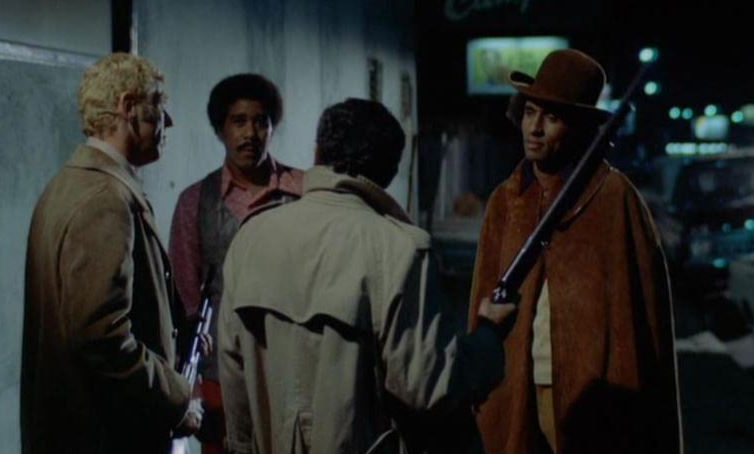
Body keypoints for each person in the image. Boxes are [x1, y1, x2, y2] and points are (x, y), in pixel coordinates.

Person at [217, 98, 517, 454]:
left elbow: (232, 371)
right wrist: (489, 336)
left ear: (317, 154)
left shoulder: (251, 237)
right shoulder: (400, 249)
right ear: (389, 172)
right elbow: (430, 386)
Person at [468, 49, 682, 453]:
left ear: (580, 127)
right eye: (530, 112)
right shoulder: (507, 199)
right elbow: (483, 300)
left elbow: (643, 322)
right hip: (514, 386)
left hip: (591, 399)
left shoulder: (613, 197)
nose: (535, 128)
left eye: (551, 117)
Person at [21, 53, 202, 454]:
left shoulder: (70, 184)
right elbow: (102, 337)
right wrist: (176, 399)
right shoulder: (105, 199)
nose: (169, 121)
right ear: (127, 107)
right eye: (159, 106)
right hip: (105, 437)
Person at [169, 74, 303, 453]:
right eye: (238, 121)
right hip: (221, 377)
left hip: (293, 368)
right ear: (220, 128)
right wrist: (192, 387)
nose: (250, 133)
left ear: (272, 128)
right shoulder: (196, 201)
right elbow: (184, 299)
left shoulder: (301, 191)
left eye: (260, 121)